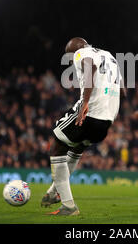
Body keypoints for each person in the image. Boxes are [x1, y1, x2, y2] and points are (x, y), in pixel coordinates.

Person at [42, 37, 123, 216]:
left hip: (91, 112)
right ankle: (53, 192)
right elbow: (122, 89)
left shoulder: (82, 53)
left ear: (75, 50)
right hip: (108, 118)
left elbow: (90, 67)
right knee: (77, 148)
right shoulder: (109, 56)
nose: (72, 61)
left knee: (56, 145)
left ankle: (68, 205)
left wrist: (85, 101)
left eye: (70, 57)